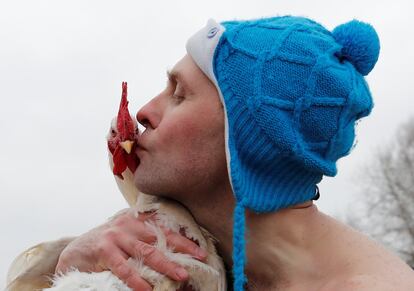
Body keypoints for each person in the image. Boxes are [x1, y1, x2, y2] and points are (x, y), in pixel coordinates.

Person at [55, 16, 414, 290]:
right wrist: (69, 264)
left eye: (178, 94)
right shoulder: (181, 260)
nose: (145, 111)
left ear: (245, 131)